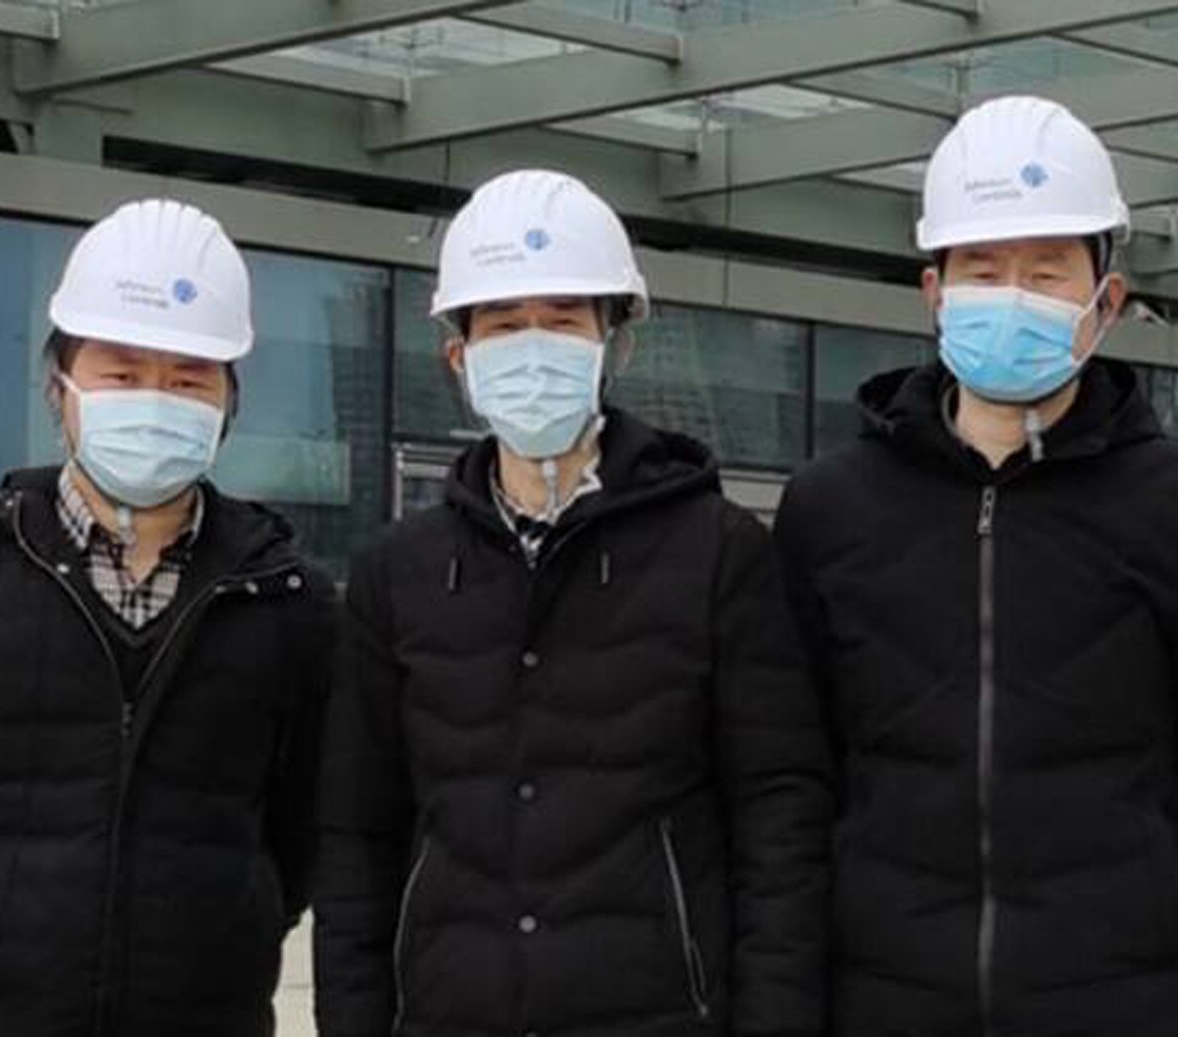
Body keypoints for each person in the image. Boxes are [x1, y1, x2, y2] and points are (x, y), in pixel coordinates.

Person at [775, 94, 1178, 1036]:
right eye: (985, 269)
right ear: (934, 292)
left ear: (1105, 301)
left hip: (1126, 1004)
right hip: (884, 1000)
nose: (1014, 295)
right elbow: (790, 796)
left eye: (1047, 273)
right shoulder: (830, 511)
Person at [314, 169, 831, 1037]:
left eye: (561, 321)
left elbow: (779, 821)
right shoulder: (399, 573)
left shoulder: (716, 550)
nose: (533, 346)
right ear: (459, 355)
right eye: (505, 324)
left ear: (612, 344)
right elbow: (355, 840)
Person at [0, 199, 337, 1036]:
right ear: (61, 388)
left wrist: (223, 944)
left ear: (229, 401)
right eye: (122, 374)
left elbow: (300, 834)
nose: (156, 398)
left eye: (189, 376)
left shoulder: (291, 606)